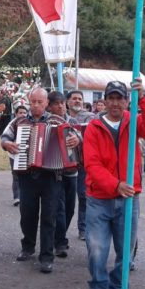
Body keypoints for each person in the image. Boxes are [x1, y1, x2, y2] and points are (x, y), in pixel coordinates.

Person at [82, 80, 145, 289]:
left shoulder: (134, 123)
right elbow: (92, 165)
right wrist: (115, 184)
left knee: (126, 252)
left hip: (128, 199)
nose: (116, 103)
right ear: (104, 101)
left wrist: (144, 97)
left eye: (121, 98)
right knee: (97, 250)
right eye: (112, 98)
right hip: (99, 198)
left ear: (127, 101)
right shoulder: (93, 128)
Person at [0, 87, 61, 273]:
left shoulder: (57, 121)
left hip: (51, 175)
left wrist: (74, 139)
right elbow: (4, 137)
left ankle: (47, 256)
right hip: (26, 175)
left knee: (49, 216)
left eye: (39, 102)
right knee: (27, 214)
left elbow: (75, 135)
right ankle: (27, 247)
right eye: (32, 101)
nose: (35, 105)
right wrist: (6, 144)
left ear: (46, 104)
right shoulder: (19, 121)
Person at [48, 91, 81, 258]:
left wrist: (77, 139)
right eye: (56, 103)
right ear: (50, 106)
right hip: (54, 172)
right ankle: (60, 242)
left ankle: (59, 235)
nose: (60, 106)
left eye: (62, 103)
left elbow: (82, 138)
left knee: (70, 209)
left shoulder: (73, 121)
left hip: (71, 170)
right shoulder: (46, 122)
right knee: (59, 209)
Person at [66, 90, 96, 241]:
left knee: (84, 196)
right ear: (68, 102)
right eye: (74, 99)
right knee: (65, 198)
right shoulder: (62, 117)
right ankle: (61, 230)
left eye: (80, 99)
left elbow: (96, 135)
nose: (77, 101)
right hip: (66, 162)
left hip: (84, 162)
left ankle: (83, 228)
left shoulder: (90, 117)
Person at [8, 105, 29, 206]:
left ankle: (24, 196)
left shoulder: (29, 123)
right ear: (16, 114)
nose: (22, 115)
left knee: (25, 175)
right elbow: (6, 137)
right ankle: (16, 197)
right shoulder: (12, 123)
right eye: (20, 113)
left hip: (25, 154)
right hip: (14, 154)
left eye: (24, 113)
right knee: (16, 176)